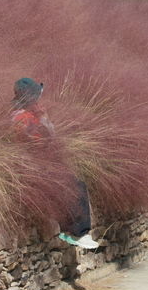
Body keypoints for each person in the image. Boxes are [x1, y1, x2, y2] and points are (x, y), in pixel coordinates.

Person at [11, 78, 99, 249]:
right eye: (36, 97)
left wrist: (43, 119)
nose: (38, 101)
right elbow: (37, 142)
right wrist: (43, 122)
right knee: (71, 185)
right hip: (31, 167)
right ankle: (75, 233)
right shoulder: (20, 118)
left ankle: (76, 233)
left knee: (75, 183)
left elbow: (50, 136)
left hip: (42, 164)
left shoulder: (32, 116)